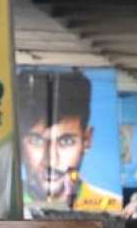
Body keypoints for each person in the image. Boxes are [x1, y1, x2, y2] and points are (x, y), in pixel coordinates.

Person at [19, 70, 93, 208]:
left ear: (87, 139)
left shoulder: (107, 201)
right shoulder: (3, 205)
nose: (51, 161)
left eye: (66, 141)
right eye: (37, 141)